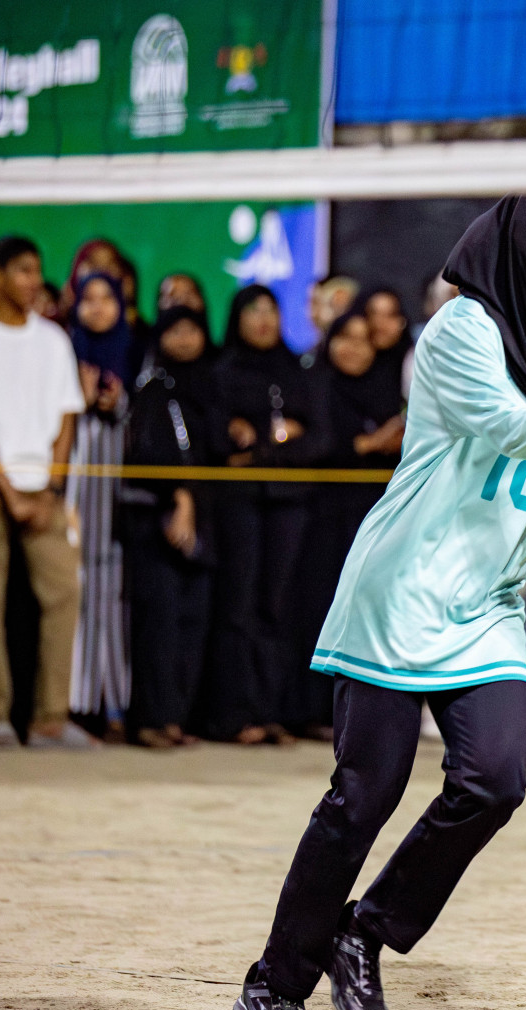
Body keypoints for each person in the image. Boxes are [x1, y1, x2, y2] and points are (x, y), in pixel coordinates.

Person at [231, 195, 526, 1010]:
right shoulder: (458, 330)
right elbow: (497, 425)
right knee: (362, 799)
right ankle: (273, 987)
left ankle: (366, 931)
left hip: (488, 602)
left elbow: (510, 461)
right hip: (404, 591)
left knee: (498, 779)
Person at [0, 236, 91, 748]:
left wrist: (50, 488)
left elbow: (66, 419)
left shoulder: (53, 340)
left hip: (44, 488)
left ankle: (50, 716)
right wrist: (8, 490)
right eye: (21, 270)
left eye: (37, 271)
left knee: (64, 592)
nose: (31, 281)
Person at [206, 284, 332, 746]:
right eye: (252, 310)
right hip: (238, 503)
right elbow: (219, 442)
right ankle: (236, 714)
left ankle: (272, 710)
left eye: (270, 310)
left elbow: (319, 439)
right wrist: (275, 438)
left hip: (290, 503)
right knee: (238, 605)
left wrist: (257, 445)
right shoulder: (220, 372)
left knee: (278, 607)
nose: (262, 319)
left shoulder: (299, 372)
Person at [291, 309, 402, 740]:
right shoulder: (314, 386)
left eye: (364, 339)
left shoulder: (385, 390)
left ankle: (358, 714)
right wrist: (369, 443)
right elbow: (313, 445)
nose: (354, 348)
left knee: (367, 612)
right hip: (321, 516)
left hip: (372, 515)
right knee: (319, 607)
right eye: (344, 338)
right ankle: (311, 709)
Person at [122, 306, 222, 748]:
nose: (184, 339)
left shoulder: (211, 385)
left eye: (193, 330)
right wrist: (179, 497)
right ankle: (150, 719)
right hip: (158, 518)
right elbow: (145, 455)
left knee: (192, 620)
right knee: (158, 621)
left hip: (204, 517)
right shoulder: (152, 387)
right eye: (174, 331)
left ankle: (177, 719)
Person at [67, 272, 136, 740]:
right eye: (87, 300)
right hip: (75, 487)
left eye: (105, 299)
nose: (96, 308)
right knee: (78, 588)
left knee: (115, 590)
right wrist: (81, 398)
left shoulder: (134, 352)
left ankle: (116, 703)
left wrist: (117, 402)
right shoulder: (65, 352)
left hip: (120, 491)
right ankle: (78, 702)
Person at [308, 274, 359, 340]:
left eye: (345, 300)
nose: (341, 299)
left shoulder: (327, 319)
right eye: (341, 295)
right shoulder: (315, 290)